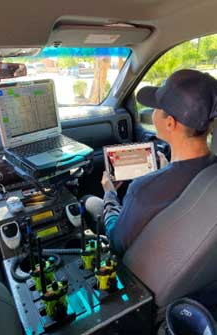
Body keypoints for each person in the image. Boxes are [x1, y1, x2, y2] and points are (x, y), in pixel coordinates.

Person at [83, 69, 217, 255]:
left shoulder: (143, 189)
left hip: (139, 272)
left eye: (156, 107)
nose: (152, 113)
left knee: (87, 202)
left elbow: (116, 242)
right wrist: (167, 169)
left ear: (170, 123)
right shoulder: (212, 172)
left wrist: (110, 194)